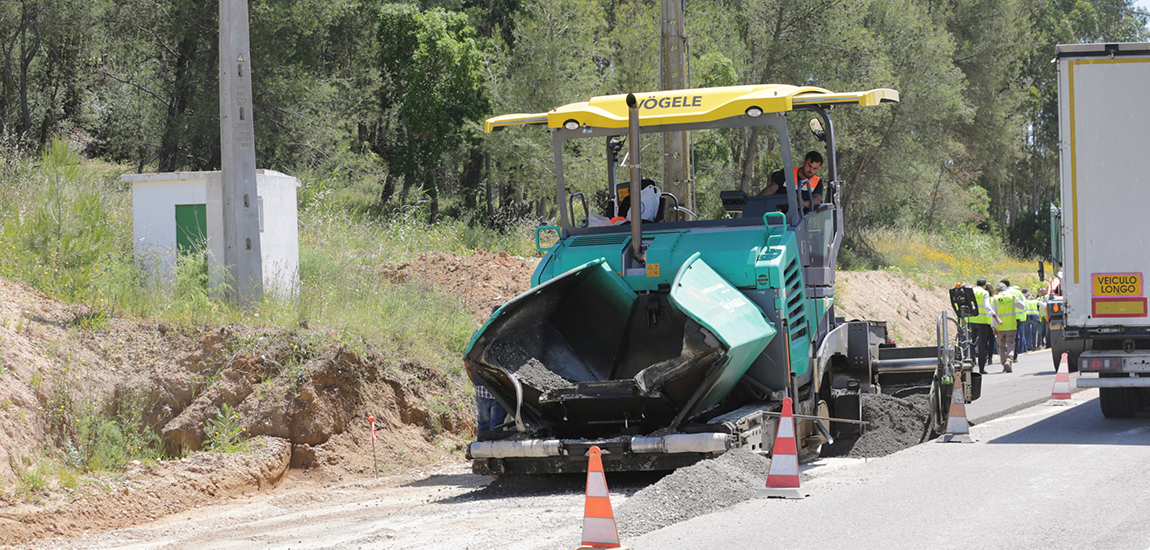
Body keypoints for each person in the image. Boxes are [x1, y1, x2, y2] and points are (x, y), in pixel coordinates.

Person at [757, 151, 824, 209]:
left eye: (815, 168)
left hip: (804, 218)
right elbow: (770, 190)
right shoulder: (787, 173)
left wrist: (805, 203)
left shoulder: (817, 181)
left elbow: (817, 198)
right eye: (809, 166)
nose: (811, 170)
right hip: (780, 214)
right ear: (804, 162)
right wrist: (755, 202)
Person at [990, 282, 1027, 373]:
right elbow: (1022, 306)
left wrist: (994, 327)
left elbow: (993, 314)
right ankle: (1009, 360)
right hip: (1011, 325)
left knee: (1002, 346)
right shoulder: (1012, 297)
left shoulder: (995, 298)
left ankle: (1004, 363)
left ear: (997, 290)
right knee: (1011, 344)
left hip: (1000, 326)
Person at [968, 278, 1000, 374]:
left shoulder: (971, 291)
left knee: (971, 344)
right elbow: (987, 306)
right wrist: (995, 317)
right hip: (982, 322)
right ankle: (981, 368)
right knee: (982, 345)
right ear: (985, 285)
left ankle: (970, 365)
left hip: (970, 321)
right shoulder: (984, 293)